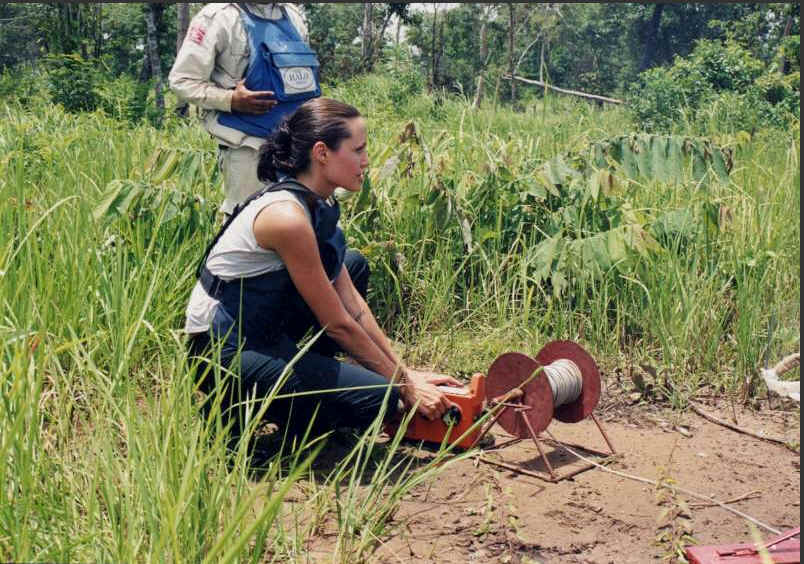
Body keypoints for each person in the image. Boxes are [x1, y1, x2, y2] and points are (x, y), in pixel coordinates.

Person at [186, 98, 459, 444]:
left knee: (352, 264)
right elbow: (340, 324)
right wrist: (404, 387)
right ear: (322, 153)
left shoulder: (319, 201)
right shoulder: (287, 218)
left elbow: (352, 303)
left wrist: (404, 372)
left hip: (259, 329)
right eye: (357, 150)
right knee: (382, 398)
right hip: (222, 351)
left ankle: (310, 386)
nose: (366, 160)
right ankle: (236, 411)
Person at [169, 3, 321, 216]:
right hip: (248, 147)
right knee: (249, 223)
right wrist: (230, 100)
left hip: (299, 146)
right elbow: (182, 81)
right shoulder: (218, 17)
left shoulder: (293, 15)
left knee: (308, 219)